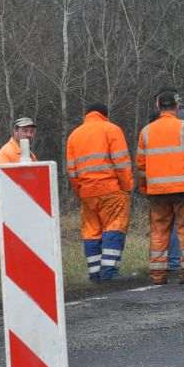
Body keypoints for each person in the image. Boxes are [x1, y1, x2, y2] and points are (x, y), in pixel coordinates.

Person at [136, 90, 184, 284]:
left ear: (157, 106)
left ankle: (158, 275)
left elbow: (141, 164)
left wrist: (145, 187)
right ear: (178, 106)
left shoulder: (146, 131)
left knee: (158, 231)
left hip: (157, 191)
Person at [65, 104, 133, 281]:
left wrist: (79, 191)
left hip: (86, 192)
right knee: (114, 226)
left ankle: (94, 273)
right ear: (105, 115)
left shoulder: (74, 135)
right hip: (111, 189)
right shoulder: (112, 130)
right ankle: (109, 272)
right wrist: (126, 187)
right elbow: (121, 163)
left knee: (91, 231)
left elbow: (72, 171)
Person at [0, 116, 38, 186]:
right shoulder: (7, 151)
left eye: (31, 131)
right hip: (9, 196)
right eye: (25, 131)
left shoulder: (31, 156)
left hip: (25, 195)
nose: (29, 134)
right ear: (15, 131)